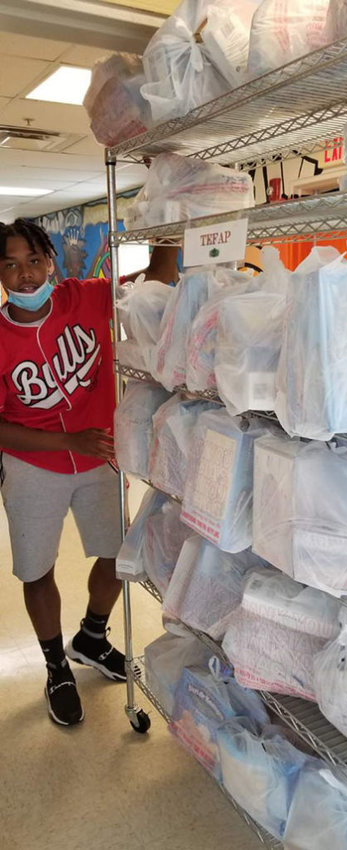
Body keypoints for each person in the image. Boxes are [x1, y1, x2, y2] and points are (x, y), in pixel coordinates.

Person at [0, 218, 178, 727]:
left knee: (116, 557)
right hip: (34, 464)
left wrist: (169, 206)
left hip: (99, 455)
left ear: (52, 261)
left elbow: (158, 279)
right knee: (37, 571)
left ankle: (91, 638)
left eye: (34, 261)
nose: (26, 276)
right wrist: (64, 441)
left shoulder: (87, 298)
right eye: (11, 265)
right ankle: (56, 666)